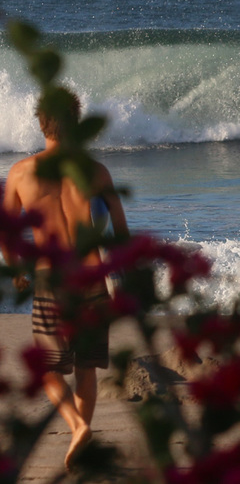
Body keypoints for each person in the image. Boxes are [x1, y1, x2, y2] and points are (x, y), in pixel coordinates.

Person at [1, 92, 129, 471]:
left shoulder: (21, 173)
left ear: (41, 124)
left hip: (50, 280)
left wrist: (20, 272)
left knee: (50, 371)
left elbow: (8, 236)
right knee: (86, 367)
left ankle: (75, 427)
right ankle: (82, 435)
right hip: (91, 280)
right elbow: (120, 232)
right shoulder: (96, 172)